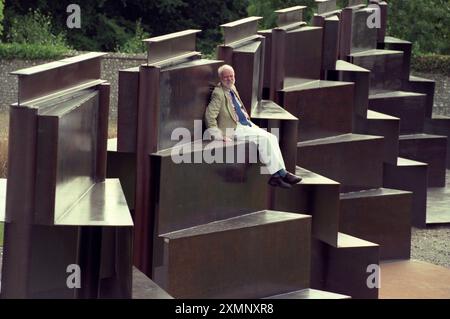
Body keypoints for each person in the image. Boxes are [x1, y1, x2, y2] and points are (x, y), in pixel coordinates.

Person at [204, 64, 302, 189]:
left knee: (271, 137)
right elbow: (209, 116)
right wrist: (218, 136)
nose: (229, 79)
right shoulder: (218, 94)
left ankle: (280, 174)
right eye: (226, 77)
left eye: (231, 76)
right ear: (220, 78)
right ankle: (278, 175)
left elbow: (237, 108)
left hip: (246, 124)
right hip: (233, 128)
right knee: (264, 139)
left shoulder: (232, 87)